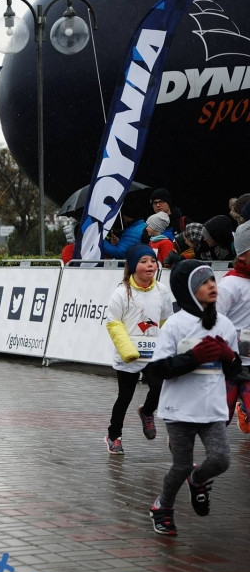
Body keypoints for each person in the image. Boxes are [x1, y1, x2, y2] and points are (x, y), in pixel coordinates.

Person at [144, 261, 241, 536]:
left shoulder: (224, 324)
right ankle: (162, 507)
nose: (212, 286)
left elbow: (235, 371)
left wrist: (228, 356)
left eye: (213, 280)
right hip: (179, 410)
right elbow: (157, 370)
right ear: (187, 289)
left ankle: (197, 481)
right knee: (181, 465)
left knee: (221, 459)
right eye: (203, 282)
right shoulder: (175, 325)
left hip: (211, 408)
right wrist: (193, 358)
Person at [104, 244, 173, 454]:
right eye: (144, 262)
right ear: (133, 266)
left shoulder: (162, 290)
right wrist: (128, 351)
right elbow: (114, 323)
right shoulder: (121, 293)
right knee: (124, 397)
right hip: (129, 357)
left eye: (152, 261)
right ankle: (113, 436)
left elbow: (166, 321)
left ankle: (147, 412)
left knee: (160, 388)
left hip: (153, 355)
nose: (150, 265)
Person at [214, 221, 250, 434]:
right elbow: (214, 319)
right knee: (222, 416)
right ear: (243, 254)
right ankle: (185, 436)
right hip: (231, 363)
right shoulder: (230, 284)